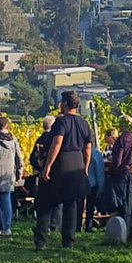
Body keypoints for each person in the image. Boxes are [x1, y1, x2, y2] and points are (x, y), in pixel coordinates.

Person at [34, 92, 95, 250]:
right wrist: (85, 168)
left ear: (66, 104)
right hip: (77, 164)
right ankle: (68, 241)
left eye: (62, 102)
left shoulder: (61, 122)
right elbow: (88, 148)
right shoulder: (84, 123)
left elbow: (57, 143)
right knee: (71, 204)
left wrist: (47, 166)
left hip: (61, 163)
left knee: (45, 201)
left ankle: (41, 240)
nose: (60, 105)